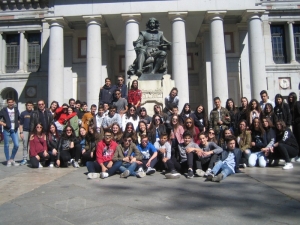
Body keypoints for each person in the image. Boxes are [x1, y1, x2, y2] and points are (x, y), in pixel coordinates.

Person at [0, 98, 20, 166]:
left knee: (16, 145)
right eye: (9, 102)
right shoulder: (4, 110)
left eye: (11, 102)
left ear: (13, 102)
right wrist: (4, 124)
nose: (10, 103)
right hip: (7, 130)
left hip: (14, 130)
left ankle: (12, 159)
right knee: (6, 145)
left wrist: (17, 124)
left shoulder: (16, 110)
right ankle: (8, 160)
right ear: (7, 103)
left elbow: (19, 118)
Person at [19, 101, 34, 165]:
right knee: (25, 145)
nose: (29, 106)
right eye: (28, 105)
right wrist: (21, 132)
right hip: (25, 131)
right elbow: (20, 124)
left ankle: (32, 158)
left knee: (32, 146)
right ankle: (24, 158)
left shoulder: (34, 113)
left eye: (30, 105)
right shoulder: (23, 113)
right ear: (26, 106)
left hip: (32, 131)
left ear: (32, 106)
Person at [288, 92, 300, 161]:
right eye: (289, 97)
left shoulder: (297, 104)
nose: (290, 99)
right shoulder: (290, 105)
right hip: (294, 125)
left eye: (292, 97)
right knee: (295, 139)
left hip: (298, 125)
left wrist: (295, 121)